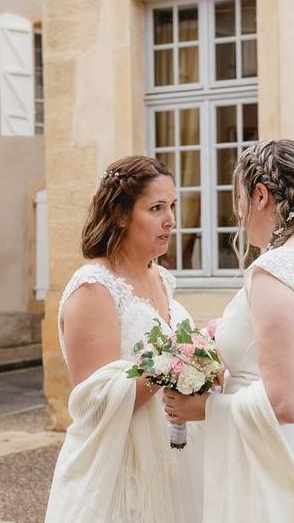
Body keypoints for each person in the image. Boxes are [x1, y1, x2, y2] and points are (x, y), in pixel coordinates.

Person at [162, 139, 294, 522]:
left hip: (278, 465)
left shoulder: (279, 268)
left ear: (260, 195)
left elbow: (286, 403)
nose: (239, 213)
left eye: (240, 199)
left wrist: (204, 407)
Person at [45, 155, 201, 523]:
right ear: (120, 214)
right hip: (118, 467)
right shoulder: (94, 288)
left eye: (173, 207)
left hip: (172, 453)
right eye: (156, 208)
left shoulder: (162, 278)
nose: (171, 220)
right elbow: (95, 402)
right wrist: (175, 364)